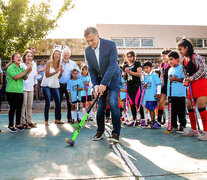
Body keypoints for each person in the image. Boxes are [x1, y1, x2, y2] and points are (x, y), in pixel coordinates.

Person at [84, 27, 122, 143]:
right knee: (100, 107)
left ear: (98, 36)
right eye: (88, 41)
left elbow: (112, 65)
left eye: (92, 40)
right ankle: (100, 130)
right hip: (100, 81)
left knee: (113, 103)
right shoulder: (87, 50)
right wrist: (96, 85)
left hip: (114, 79)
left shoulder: (110, 45)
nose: (90, 43)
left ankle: (115, 133)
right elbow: (91, 69)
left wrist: (104, 84)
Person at [178, 38, 207, 140]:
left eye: (181, 49)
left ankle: (206, 131)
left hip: (201, 83)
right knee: (189, 105)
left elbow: (203, 69)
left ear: (187, 48)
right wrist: (185, 81)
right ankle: (194, 130)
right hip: (191, 85)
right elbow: (186, 75)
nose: (180, 52)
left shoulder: (196, 57)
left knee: (200, 106)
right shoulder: (183, 61)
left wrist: (192, 78)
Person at [6, 52, 32, 132]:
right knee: (13, 108)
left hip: (19, 91)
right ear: (13, 59)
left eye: (20, 57)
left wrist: (28, 71)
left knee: (19, 108)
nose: (19, 58)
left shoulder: (21, 68)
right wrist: (25, 71)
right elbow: (16, 77)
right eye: (17, 57)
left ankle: (18, 124)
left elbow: (25, 78)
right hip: (11, 91)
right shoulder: (10, 68)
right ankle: (10, 125)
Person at [41, 49, 63, 126]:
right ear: (53, 55)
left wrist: (60, 74)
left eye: (58, 54)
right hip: (46, 85)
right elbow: (47, 75)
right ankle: (46, 121)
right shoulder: (49, 63)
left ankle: (57, 120)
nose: (57, 56)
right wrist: (56, 71)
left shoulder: (60, 65)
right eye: (55, 54)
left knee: (58, 102)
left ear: (60, 56)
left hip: (55, 85)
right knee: (48, 103)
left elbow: (58, 77)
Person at [123, 51, 145, 126]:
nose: (129, 58)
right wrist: (124, 75)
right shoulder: (125, 66)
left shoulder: (137, 63)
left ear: (133, 56)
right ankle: (134, 119)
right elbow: (125, 77)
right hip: (129, 86)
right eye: (128, 56)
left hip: (136, 85)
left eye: (130, 56)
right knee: (131, 103)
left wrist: (129, 71)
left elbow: (139, 74)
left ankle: (143, 119)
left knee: (137, 102)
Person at [59, 48, 80, 123]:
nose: (66, 56)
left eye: (67, 55)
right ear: (62, 55)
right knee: (58, 102)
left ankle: (70, 118)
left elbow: (78, 73)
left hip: (69, 86)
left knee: (70, 102)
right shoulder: (58, 62)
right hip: (59, 85)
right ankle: (58, 119)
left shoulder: (73, 63)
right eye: (65, 55)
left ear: (69, 56)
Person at [167, 51, 187, 133]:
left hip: (180, 94)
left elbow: (184, 80)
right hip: (171, 94)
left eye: (171, 59)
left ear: (177, 59)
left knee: (181, 111)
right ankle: (174, 125)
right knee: (172, 111)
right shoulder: (170, 69)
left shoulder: (182, 68)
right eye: (169, 60)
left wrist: (175, 79)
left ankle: (182, 126)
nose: (170, 61)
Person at [20, 50, 38, 129]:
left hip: (31, 87)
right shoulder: (22, 65)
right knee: (23, 105)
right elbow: (22, 77)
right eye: (28, 56)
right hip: (23, 87)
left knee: (30, 106)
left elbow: (35, 76)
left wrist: (35, 86)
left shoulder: (34, 64)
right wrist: (28, 70)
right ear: (24, 57)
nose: (29, 57)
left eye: (31, 56)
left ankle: (30, 122)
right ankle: (23, 122)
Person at [143, 61, 162, 128]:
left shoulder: (154, 75)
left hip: (153, 96)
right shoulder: (146, 76)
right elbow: (145, 84)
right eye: (144, 68)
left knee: (152, 109)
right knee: (148, 108)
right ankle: (151, 120)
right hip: (147, 96)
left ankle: (153, 121)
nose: (145, 70)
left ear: (150, 68)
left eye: (146, 68)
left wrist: (158, 93)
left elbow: (158, 84)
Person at [157, 49, 172, 125]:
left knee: (171, 104)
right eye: (162, 56)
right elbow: (160, 76)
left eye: (164, 56)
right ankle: (159, 120)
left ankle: (173, 121)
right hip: (163, 86)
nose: (163, 57)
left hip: (171, 86)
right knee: (160, 103)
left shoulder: (172, 64)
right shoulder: (162, 65)